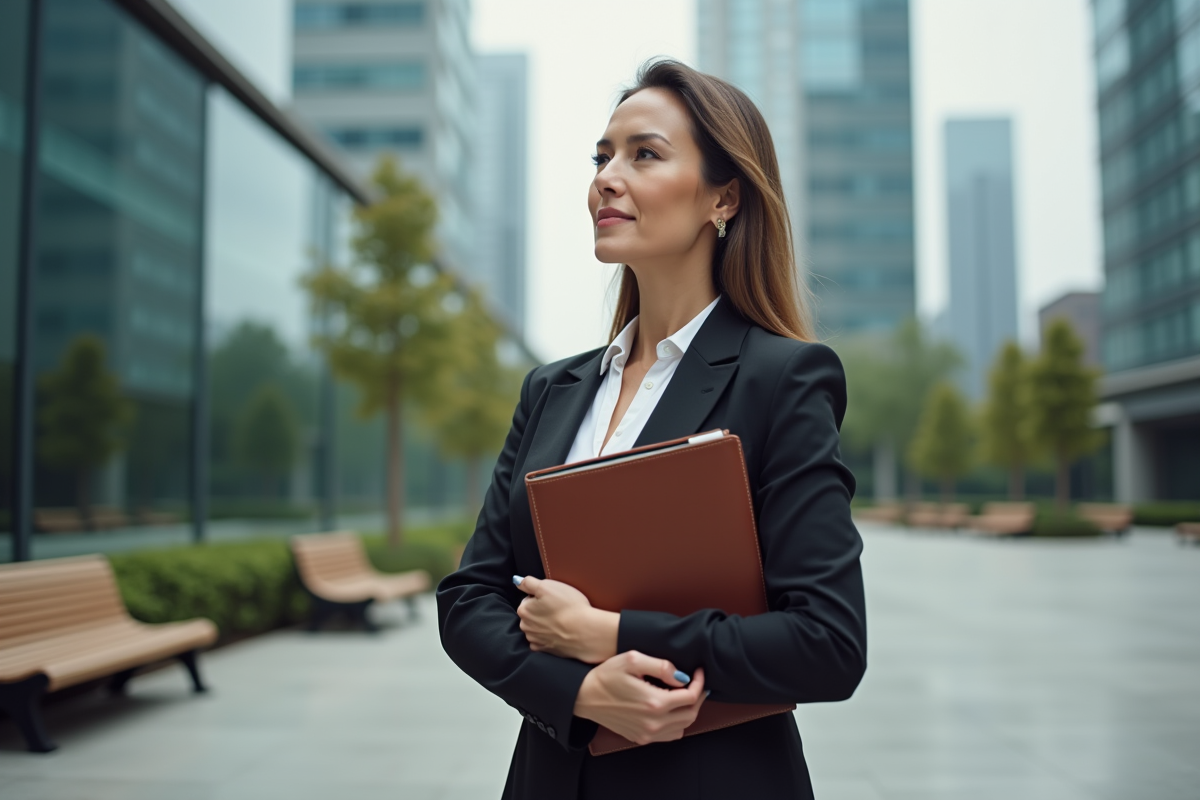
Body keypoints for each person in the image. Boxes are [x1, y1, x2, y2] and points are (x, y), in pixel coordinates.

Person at [437, 59, 866, 800]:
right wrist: (574, 695)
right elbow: (469, 597)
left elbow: (827, 643)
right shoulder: (553, 389)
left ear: (723, 198)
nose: (607, 176)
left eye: (644, 153)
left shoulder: (783, 381)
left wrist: (610, 633)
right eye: (602, 155)